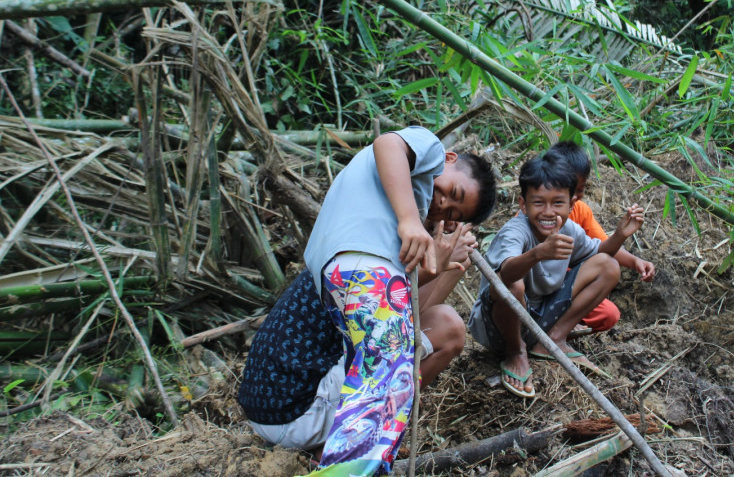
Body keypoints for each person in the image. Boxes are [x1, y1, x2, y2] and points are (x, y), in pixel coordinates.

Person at [237, 126, 496, 476]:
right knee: (390, 370)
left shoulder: (372, 232)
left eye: (453, 214)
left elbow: (412, 313)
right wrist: (409, 221)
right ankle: (350, 464)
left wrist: (445, 263)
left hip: (283, 412)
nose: (442, 205)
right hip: (290, 406)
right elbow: (387, 143)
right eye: (452, 191)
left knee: (405, 349)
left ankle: (341, 452)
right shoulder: (426, 154)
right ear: (448, 159)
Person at [468, 151, 645, 398]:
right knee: (512, 286)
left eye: (558, 203)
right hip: (500, 327)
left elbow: (600, 252)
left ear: (572, 205)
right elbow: (504, 277)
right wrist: (537, 254)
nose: (549, 212)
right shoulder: (515, 232)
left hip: (540, 320)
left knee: (608, 265)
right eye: (538, 202)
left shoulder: (569, 229)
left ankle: (552, 340)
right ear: (523, 204)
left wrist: (620, 235)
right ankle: (516, 352)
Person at [548, 141, 655, 335]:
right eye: (570, 191)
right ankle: (550, 326)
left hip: (565, 288)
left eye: (580, 190)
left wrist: (634, 259)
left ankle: (559, 327)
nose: (575, 198)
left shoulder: (580, 211)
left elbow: (601, 247)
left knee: (608, 315)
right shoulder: (539, 213)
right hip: (537, 286)